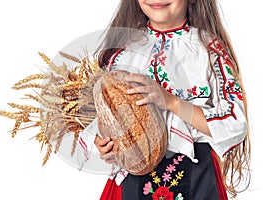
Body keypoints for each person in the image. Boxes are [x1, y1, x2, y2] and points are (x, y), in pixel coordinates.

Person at [76, 0, 251, 199]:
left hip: (195, 177)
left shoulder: (209, 50)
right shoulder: (121, 52)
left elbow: (234, 124)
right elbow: (107, 116)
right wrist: (106, 144)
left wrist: (172, 102)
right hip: (131, 182)